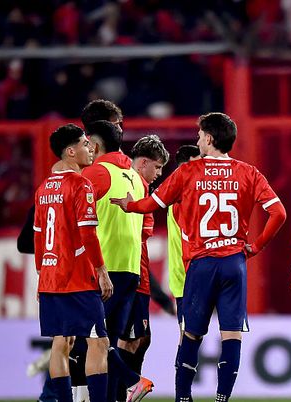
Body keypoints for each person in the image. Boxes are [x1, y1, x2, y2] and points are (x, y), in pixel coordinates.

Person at [111, 112, 287, 402]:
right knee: (231, 335)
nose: (197, 140)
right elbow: (279, 213)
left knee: (191, 335)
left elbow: (150, 204)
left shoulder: (188, 172)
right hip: (234, 263)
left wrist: (129, 206)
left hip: (201, 263)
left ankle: (183, 398)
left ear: (208, 138)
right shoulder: (248, 172)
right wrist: (255, 246)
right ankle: (221, 399)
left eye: (199, 135)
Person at [34, 124, 113, 402]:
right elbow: (88, 233)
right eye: (83, 144)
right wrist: (102, 271)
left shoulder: (44, 188)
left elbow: (38, 239)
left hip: (51, 279)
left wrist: (41, 276)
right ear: (70, 151)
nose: (90, 148)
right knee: (99, 343)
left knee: (61, 342)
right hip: (77, 278)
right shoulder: (81, 184)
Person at [81, 120, 153, 402]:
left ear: (95, 145)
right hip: (131, 269)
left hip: (103, 269)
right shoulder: (137, 177)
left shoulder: (96, 173)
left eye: (88, 144)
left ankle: (133, 380)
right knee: (107, 341)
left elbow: (79, 219)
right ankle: (120, 390)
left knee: (93, 340)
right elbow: (147, 227)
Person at [116, 135, 169, 401]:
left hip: (140, 273)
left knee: (141, 338)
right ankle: (126, 388)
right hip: (130, 273)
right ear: (144, 163)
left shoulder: (140, 189)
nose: (159, 174)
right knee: (129, 339)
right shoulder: (132, 184)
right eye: (158, 167)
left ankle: (126, 389)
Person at [167, 145, 201, 325]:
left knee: (191, 336)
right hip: (190, 279)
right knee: (189, 336)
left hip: (190, 279)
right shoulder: (183, 197)